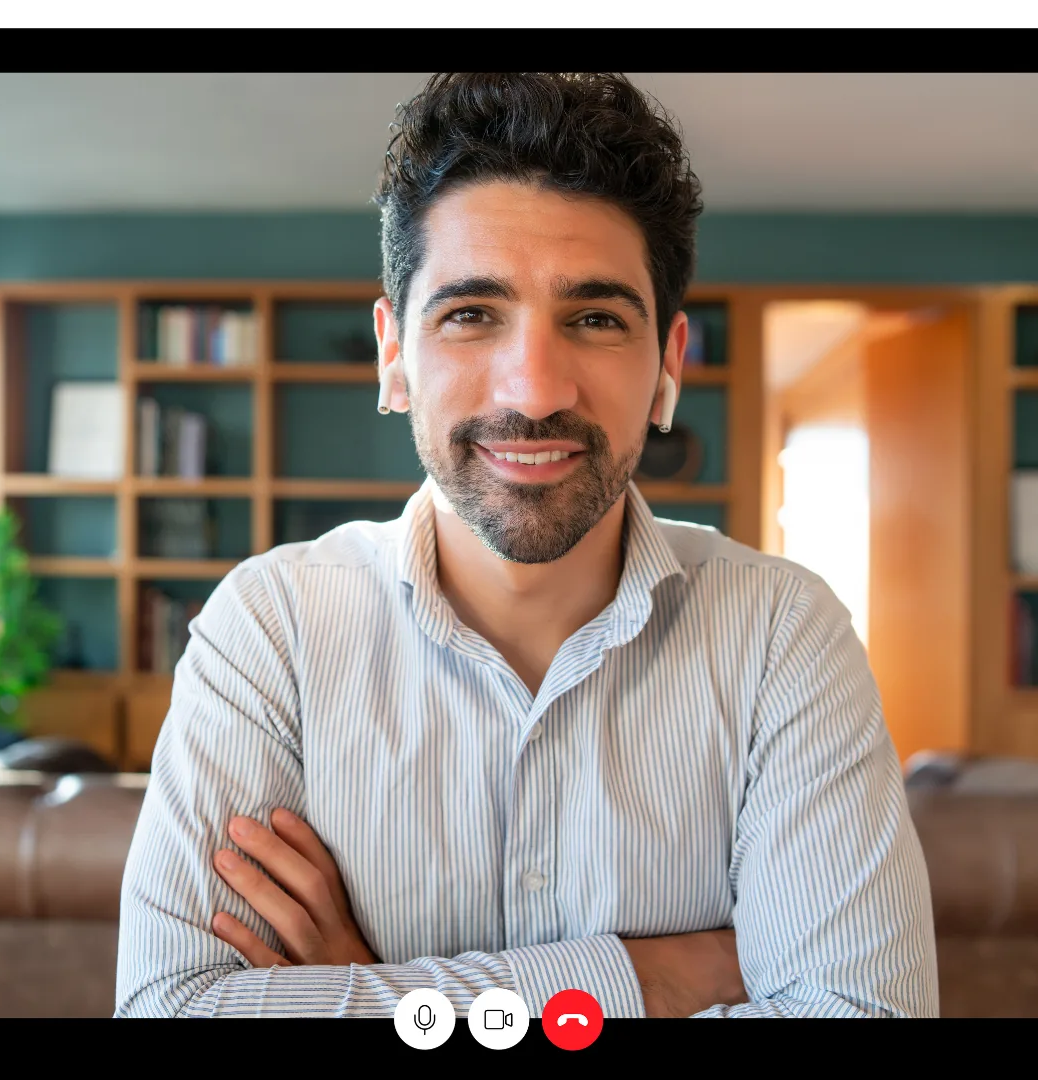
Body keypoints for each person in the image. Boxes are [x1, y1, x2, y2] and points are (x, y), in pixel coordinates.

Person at [115, 72, 938, 1019]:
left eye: (594, 319)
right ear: (395, 358)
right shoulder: (271, 631)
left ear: (668, 366)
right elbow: (171, 1011)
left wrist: (375, 994)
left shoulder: (785, 632)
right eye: (471, 314)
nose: (536, 388)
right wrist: (646, 981)